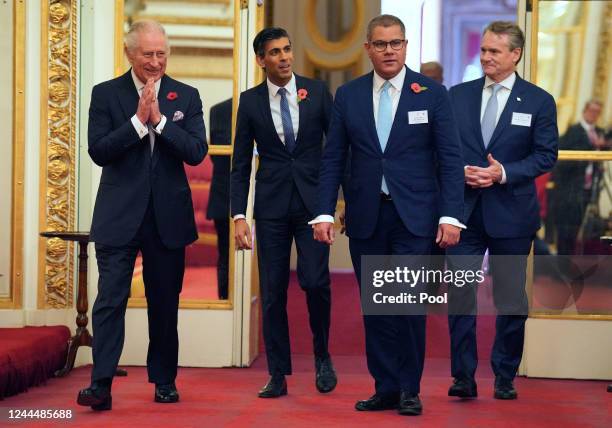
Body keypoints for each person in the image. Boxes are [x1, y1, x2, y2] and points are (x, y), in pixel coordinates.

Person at [313, 14, 465, 416]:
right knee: (377, 306)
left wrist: (451, 215)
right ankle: (386, 387)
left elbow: (451, 160)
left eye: (396, 43)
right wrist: (324, 212)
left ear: (405, 46)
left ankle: (410, 389)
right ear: (368, 49)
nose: (389, 51)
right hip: (366, 217)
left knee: (408, 303)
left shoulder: (431, 94)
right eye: (380, 44)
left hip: (415, 218)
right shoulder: (349, 95)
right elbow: (333, 159)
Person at [77, 20, 207, 410]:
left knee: (165, 303)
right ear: (130, 53)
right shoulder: (106, 94)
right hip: (119, 216)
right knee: (110, 301)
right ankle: (101, 384)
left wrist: (160, 121)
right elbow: (98, 150)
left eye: (162, 54)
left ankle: (164, 380)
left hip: (168, 218)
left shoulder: (186, 95)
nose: (156, 62)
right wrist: (137, 122)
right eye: (148, 54)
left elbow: (196, 151)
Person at [446, 21, 558, 401]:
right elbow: (443, 149)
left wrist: (503, 173)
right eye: (483, 50)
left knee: (510, 298)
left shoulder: (539, 101)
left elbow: (546, 155)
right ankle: (462, 376)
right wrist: (460, 171)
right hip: (463, 211)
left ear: (516, 55)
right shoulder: (457, 96)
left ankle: (505, 374)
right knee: (460, 296)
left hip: (511, 214)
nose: (486, 57)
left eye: (495, 51)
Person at [230, 27, 337, 398]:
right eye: (275, 52)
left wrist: (334, 205)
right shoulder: (250, 101)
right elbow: (240, 164)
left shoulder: (318, 92)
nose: (284, 57)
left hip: (312, 207)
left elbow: (337, 151)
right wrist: (238, 216)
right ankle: (278, 373)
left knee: (314, 282)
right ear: (261, 60)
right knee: (273, 292)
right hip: (272, 208)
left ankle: (323, 356)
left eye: (288, 49)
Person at [552, 100, 605, 256]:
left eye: (597, 112)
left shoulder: (600, 132)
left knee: (579, 228)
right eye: (591, 111)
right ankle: (562, 264)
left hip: (588, 188)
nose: (594, 115)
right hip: (569, 190)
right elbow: (562, 160)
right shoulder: (573, 131)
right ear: (585, 111)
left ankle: (571, 261)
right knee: (566, 228)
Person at [206, 98, 232, 299]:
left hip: (226, 192)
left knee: (225, 257)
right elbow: (216, 155)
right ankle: (225, 303)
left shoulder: (219, 110)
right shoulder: (219, 109)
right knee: (225, 255)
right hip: (223, 195)